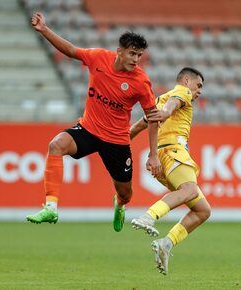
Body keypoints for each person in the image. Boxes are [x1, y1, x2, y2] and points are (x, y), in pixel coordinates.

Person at [25, 12, 162, 232]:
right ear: (119, 51)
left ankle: (119, 204)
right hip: (88, 130)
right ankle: (51, 207)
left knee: (126, 194)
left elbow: (153, 117)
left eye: (139, 55)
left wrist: (153, 154)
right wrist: (44, 29)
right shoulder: (98, 58)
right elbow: (71, 50)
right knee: (56, 145)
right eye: (132, 54)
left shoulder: (140, 82)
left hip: (117, 141)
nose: (136, 60)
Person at [129, 67, 211, 275]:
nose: (199, 91)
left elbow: (138, 127)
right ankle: (149, 216)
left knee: (202, 210)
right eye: (198, 85)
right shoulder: (182, 93)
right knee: (190, 190)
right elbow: (173, 104)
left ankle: (166, 243)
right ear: (186, 80)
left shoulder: (157, 101)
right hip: (175, 152)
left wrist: (117, 145)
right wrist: (167, 112)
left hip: (163, 160)